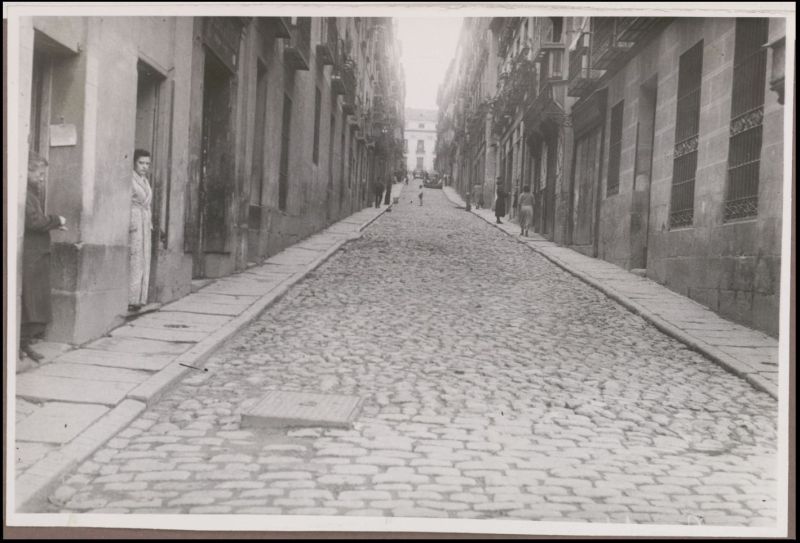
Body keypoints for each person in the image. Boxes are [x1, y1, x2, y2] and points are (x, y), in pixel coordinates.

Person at [21, 152, 66, 361]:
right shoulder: (24, 193)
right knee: (29, 302)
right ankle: (21, 345)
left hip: (36, 255)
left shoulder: (30, 192)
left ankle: (23, 345)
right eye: (39, 173)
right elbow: (34, 222)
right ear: (27, 171)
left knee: (33, 302)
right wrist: (57, 219)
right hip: (31, 255)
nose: (41, 178)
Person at [129, 149, 153, 312]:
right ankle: (131, 298)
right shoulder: (130, 179)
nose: (144, 167)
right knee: (134, 258)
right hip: (134, 219)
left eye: (147, 164)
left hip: (145, 220)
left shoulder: (145, 180)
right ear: (134, 163)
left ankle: (140, 298)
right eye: (141, 163)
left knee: (144, 258)